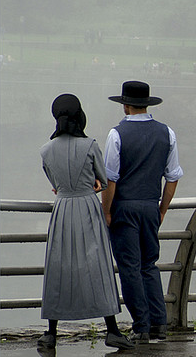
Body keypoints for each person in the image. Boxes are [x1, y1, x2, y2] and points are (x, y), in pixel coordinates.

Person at [38, 94, 134, 350]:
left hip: (63, 211)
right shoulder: (90, 145)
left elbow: (55, 186)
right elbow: (102, 179)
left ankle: (51, 333)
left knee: (58, 269)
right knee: (98, 268)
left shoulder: (46, 150)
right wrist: (93, 184)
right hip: (88, 209)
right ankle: (112, 330)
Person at [102, 81, 183, 343]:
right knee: (149, 265)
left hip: (124, 206)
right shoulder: (167, 133)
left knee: (129, 267)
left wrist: (107, 212)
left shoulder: (117, 134)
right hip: (151, 205)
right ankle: (159, 322)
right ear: (147, 104)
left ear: (125, 105)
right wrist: (161, 210)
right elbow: (172, 178)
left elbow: (110, 180)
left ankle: (141, 326)